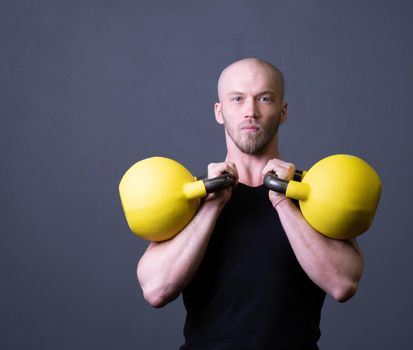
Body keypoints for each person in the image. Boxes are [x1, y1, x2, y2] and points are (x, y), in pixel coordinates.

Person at [136, 58, 363, 349]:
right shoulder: (193, 196)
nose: (250, 112)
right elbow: (156, 290)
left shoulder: (314, 191)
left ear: (282, 111)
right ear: (219, 112)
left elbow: (343, 284)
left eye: (264, 99)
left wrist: (283, 201)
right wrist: (211, 207)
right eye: (237, 99)